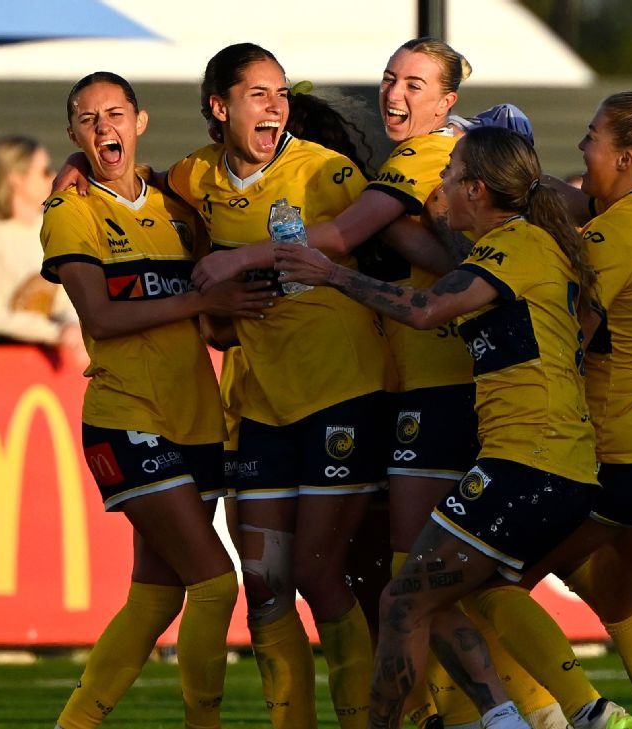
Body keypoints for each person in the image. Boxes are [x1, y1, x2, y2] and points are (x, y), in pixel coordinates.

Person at [273, 125, 632, 729]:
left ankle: (566, 709)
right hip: (548, 462)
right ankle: (515, 717)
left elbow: (426, 309)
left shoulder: (515, 244)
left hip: (530, 462)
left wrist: (330, 273)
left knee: (401, 600)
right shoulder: (528, 245)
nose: (439, 184)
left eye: (451, 173)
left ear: (477, 189)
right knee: (440, 594)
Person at [465, 90, 632, 727]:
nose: (582, 149)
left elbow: (569, 336)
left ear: (626, 157)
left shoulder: (611, 235)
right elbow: (573, 198)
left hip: (624, 450)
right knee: (619, 598)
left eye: (591, 138)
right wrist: (529, 180)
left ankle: (587, 712)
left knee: (490, 582)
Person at [166, 43, 394, 729]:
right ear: (219, 106)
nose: (276, 106)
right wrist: (76, 168)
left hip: (341, 390)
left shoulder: (326, 171)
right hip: (262, 403)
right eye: (259, 94)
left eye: (282, 93)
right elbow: (141, 186)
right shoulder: (195, 176)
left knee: (320, 572)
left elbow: (381, 242)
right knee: (264, 585)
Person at [42, 71, 273, 729]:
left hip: (196, 419)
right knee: (215, 581)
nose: (103, 128)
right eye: (88, 119)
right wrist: (203, 300)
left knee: (156, 596)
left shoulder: (178, 205)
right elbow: (102, 316)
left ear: (139, 122)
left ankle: (73, 724)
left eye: (115, 114)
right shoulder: (71, 211)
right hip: (126, 417)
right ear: (73, 133)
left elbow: (216, 322)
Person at [0, 135, 86, 360]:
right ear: (16, 179)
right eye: (44, 171)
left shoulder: (49, 227)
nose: (53, 176)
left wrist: (73, 326)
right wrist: (53, 332)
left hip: (49, 365)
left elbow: (69, 298)